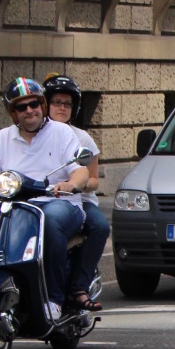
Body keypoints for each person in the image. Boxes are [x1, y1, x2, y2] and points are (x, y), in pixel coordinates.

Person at [0, 78, 89, 321]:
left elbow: (81, 171)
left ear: (42, 105)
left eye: (34, 104)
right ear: (13, 112)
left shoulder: (61, 132)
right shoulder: (1, 138)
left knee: (50, 222)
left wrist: (71, 184)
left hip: (59, 203)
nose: (29, 110)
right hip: (15, 206)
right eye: (22, 107)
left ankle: (54, 300)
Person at [43, 74, 109, 312]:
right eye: (57, 102)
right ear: (46, 104)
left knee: (100, 226)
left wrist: (75, 184)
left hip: (78, 200)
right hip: (43, 199)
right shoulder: (36, 135)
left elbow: (93, 180)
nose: (62, 108)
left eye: (67, 104)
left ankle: (78, 286)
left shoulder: (83, 138)